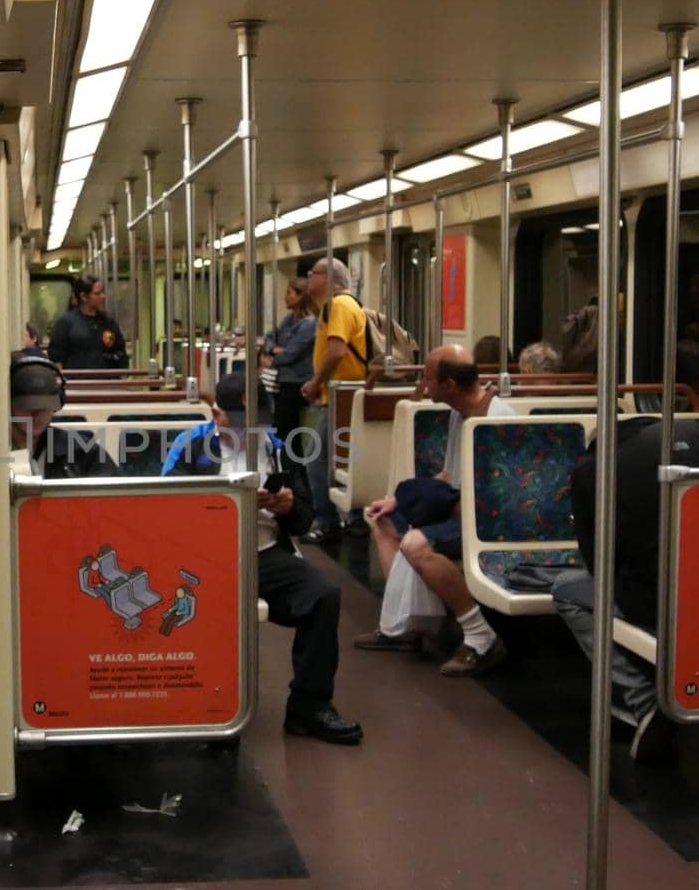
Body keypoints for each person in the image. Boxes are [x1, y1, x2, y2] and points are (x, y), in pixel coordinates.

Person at [162, 373, 362, 744]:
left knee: (323, 596)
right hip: (203, 559)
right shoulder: (189, 447)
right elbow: (165, 512)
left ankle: (309, 705)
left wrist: (287, 505)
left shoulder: (278, 448)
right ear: (217, 415)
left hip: (264, 553)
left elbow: (304, 518)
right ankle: (204, 703)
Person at [553, 417, 699, 762]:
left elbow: (600, 565)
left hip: (654, 601)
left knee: (565, 589)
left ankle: (643, 698)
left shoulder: (593, 472)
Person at [353, 345, 513, 677]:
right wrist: (397, 502)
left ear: (449, 385)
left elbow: (504, 498)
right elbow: (447, 476)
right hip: (462, 511)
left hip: (489, 520)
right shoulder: (459, 415)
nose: (424, 385)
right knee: (384, 521)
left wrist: (445, 510)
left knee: (415, 543)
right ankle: (405, 628)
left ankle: (480, 635)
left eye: (428, 378)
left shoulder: (498, 420)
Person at [299, 256, 369, 543]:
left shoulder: (337, 305)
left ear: (327, 279)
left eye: (312, 274)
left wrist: (316, 381)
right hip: (343, 395)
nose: (308, 279)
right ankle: (351, 518)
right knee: (342, 457)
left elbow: (337, 350)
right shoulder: (345, 305)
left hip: (343, 395)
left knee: (315, 457)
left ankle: (327, 521)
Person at [8, 353, 120, 479]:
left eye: (45, 406)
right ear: (7, 405)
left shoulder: (84, 453)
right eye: (27, 406)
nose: (37, 415)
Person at [263, 277, 317, 462]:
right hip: (284, 382)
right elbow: (270, 338)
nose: (285, 297)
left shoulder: (309, 324)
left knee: (287, 432)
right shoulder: (290, 319)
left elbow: (289, 355)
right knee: (283, 431)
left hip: (298, 384)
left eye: (289, 293)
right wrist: (273, 349)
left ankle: (293, 477)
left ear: (301, 296)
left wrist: (275, 353)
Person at [47, 275, 128, 370]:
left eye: (103, 292)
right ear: (83, 297)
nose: (103, 296)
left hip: (107, 380)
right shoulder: (66, 323)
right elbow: (56, 357)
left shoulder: (109, 323)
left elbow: (120, 351)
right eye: (97, 294)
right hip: (77, 381)